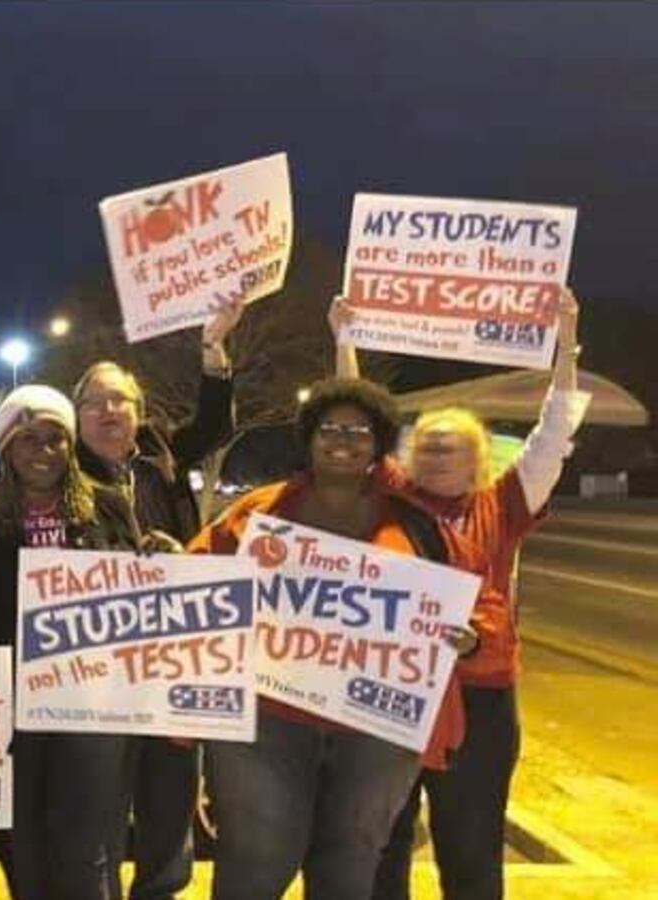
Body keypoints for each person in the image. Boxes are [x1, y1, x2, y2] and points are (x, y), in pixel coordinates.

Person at [334, 295, 590, 900]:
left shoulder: (503, 504)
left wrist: (566, 339)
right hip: (391, 697)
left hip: (479, 704)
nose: (437, 452)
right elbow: (360, 419)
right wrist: (345, 338)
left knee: (471, 853)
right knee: (380, 850)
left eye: (451, 445)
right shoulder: (390, 496)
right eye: (427, 444)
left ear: (479, 459)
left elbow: (555, 431)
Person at [188, 377, 480, 900]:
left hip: (376, 729)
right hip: (268, 722)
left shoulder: (417, 524)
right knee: (256, 858)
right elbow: (193, 581)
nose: (342, 440)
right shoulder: (258, 514)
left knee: (351, 860)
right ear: (309, 437)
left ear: (379, 444)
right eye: (330, 429)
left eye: (359, 432)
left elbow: (479, 606)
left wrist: (472, 638)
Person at [71, 297, 243, 900]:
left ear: (140, 413)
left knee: (171, 793)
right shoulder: (60, 475)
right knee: (101, 799)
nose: (109, 410)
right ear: (77, 417)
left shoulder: (161, 459)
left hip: (174, 658)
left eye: (120, 399)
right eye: (94, 401)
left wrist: (213, 348)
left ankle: (161, 887)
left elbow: (215, 426)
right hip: (99, 665)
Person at [0, 385, 142, 900]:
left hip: (91, 703)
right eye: (28, 439)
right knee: (22, 837)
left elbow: (136, 587)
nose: (43, 451)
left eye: (55, 439)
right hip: (13, 703)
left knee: (84, 838)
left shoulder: (107, 507)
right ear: (7, 448)